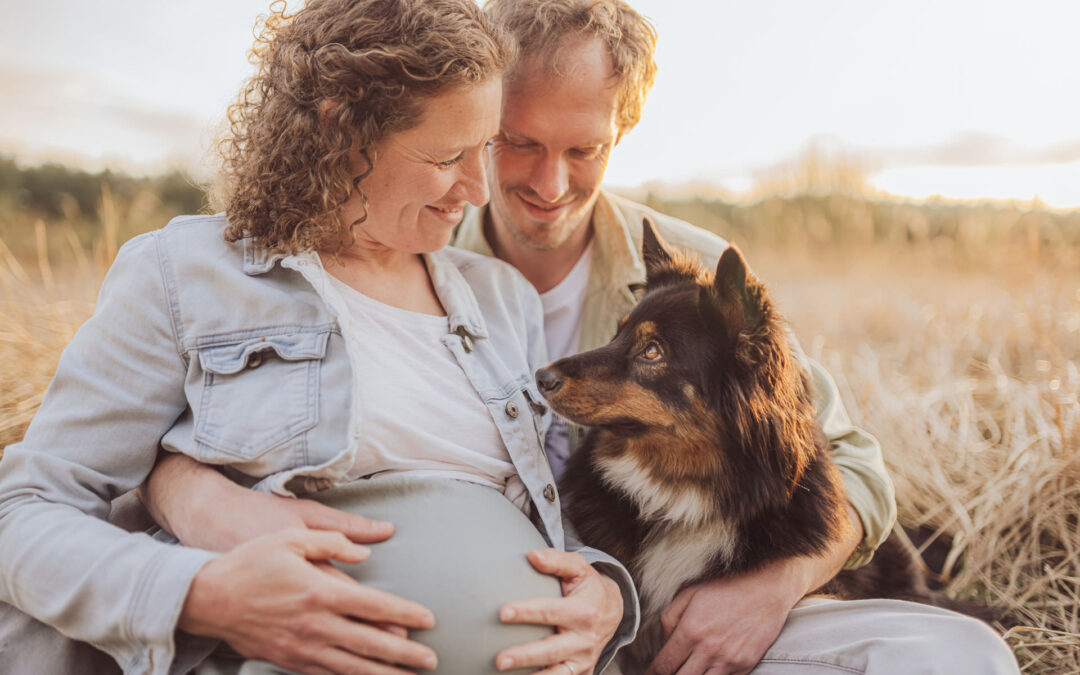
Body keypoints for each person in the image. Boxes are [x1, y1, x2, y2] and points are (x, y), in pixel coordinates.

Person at [141, 0, 1019, 673]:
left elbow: (850, 464)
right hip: (538, 624)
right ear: (475, 117)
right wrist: (180, 484)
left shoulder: (697, 277)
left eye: (583, 149)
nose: (547, 184)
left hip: (692, 608)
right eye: (514, 143)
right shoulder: (411, 246)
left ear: (621, 131)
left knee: (960, 657)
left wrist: (770, 588)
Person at [0, 1, 636, 673]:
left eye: (485, 147)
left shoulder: (502, 299)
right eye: (449, 155)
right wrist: (202, 594)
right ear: (343, 130)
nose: (478, 190)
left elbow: (551, 512)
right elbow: (23, 513)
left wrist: (605, 592)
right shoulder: (183, 274)